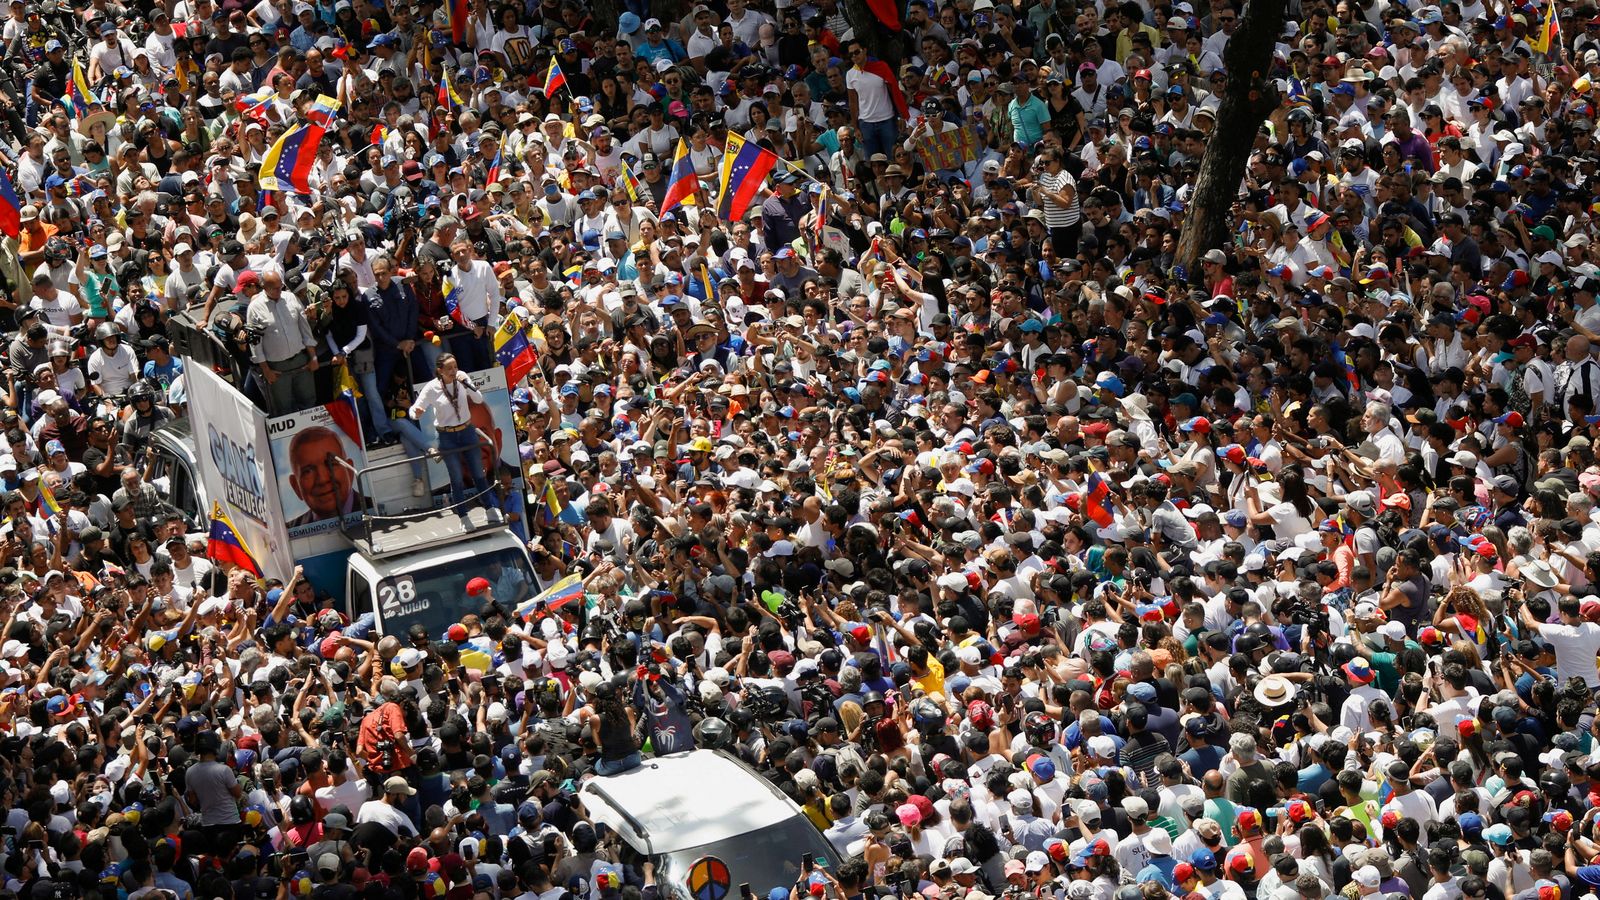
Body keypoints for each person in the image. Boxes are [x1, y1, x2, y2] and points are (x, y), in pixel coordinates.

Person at [409, 354, 490, 510]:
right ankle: (463, 515)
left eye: (455, 367)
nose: (453, 371)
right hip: (447, 436)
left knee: (478, 474)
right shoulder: (431, 387)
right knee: (457, 477)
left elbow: (479, 399)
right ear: (440, 371)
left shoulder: (462, 378)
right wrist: (417, 413)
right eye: (449, 368)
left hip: (467, 431)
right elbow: (413, 410)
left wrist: (466, 384)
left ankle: (490, 508)